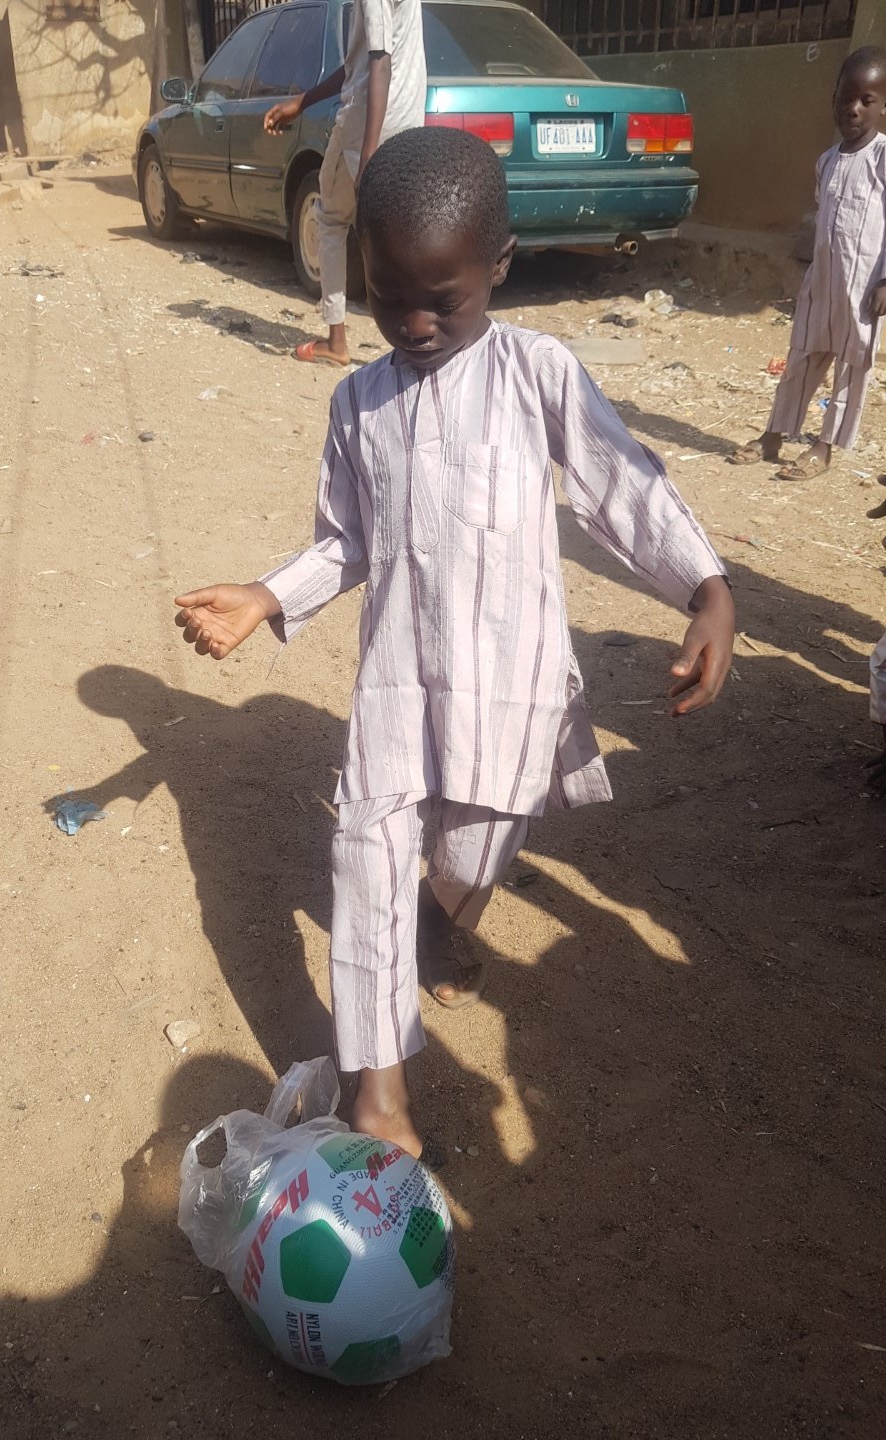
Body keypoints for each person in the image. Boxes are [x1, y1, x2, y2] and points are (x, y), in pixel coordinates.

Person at [174, 127, 736, 1156]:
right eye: (389, 297)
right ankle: (377, 1092)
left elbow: (622, 483)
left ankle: (442, 917)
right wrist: (266, 595)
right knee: (367, 862)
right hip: (397, 686)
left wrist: (706, 589)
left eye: (444, 298)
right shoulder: (358, 401)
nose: (415, 323)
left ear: (499, 266)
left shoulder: (536, 373)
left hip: (510, 690)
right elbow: (345, 541)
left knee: (475, 852)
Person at [728, 46, 886, 481]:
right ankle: (774, 434)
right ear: (833, 100)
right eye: (845, 98)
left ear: (883, 106)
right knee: (801, 357)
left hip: (862, 290)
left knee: (852, 366)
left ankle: (823, 447)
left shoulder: (882, 159)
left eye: (866, 101)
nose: (853, 109)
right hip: (822, 284)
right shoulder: (827, 161)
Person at [264, 0, 425, 368]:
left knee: (331, 219)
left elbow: (379, 61)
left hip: (366, 125)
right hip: (408, 122)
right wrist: (303, 101)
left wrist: (368, 155)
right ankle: (418, 342)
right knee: (401, 233)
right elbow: (361, 63)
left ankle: (336, 341)